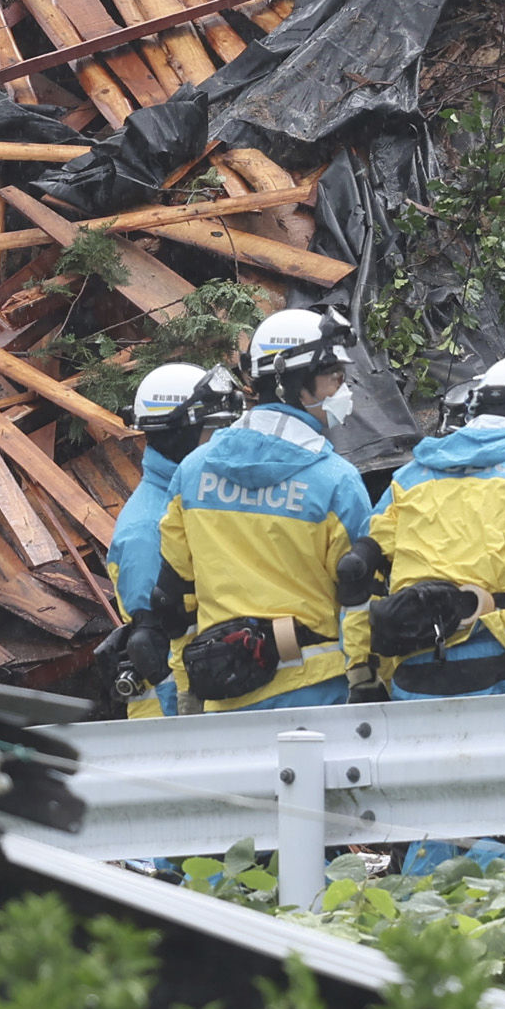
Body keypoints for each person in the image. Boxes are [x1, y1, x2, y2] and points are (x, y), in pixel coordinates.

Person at [136, 308, 372, 713]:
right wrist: (367, 682)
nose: (343, 388)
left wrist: (186, 692)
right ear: (295, 382)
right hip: (316, 695)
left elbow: (173, 599)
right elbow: (362, 595)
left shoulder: (193, 473)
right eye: (333, 376)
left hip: (223, 698)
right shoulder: (336, 481)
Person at [348, 356, 505, 699]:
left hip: (415, 674)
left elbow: (359, 574)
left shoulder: (409, 476)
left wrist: (363, 674)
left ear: (474, 407)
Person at [109, 362, 215, 718]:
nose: (221, 438)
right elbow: (153, 648)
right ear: (181, 435)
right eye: (211, 429)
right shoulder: (147, 528)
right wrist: (185, 726)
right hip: (165, 718)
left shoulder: (186, 499)